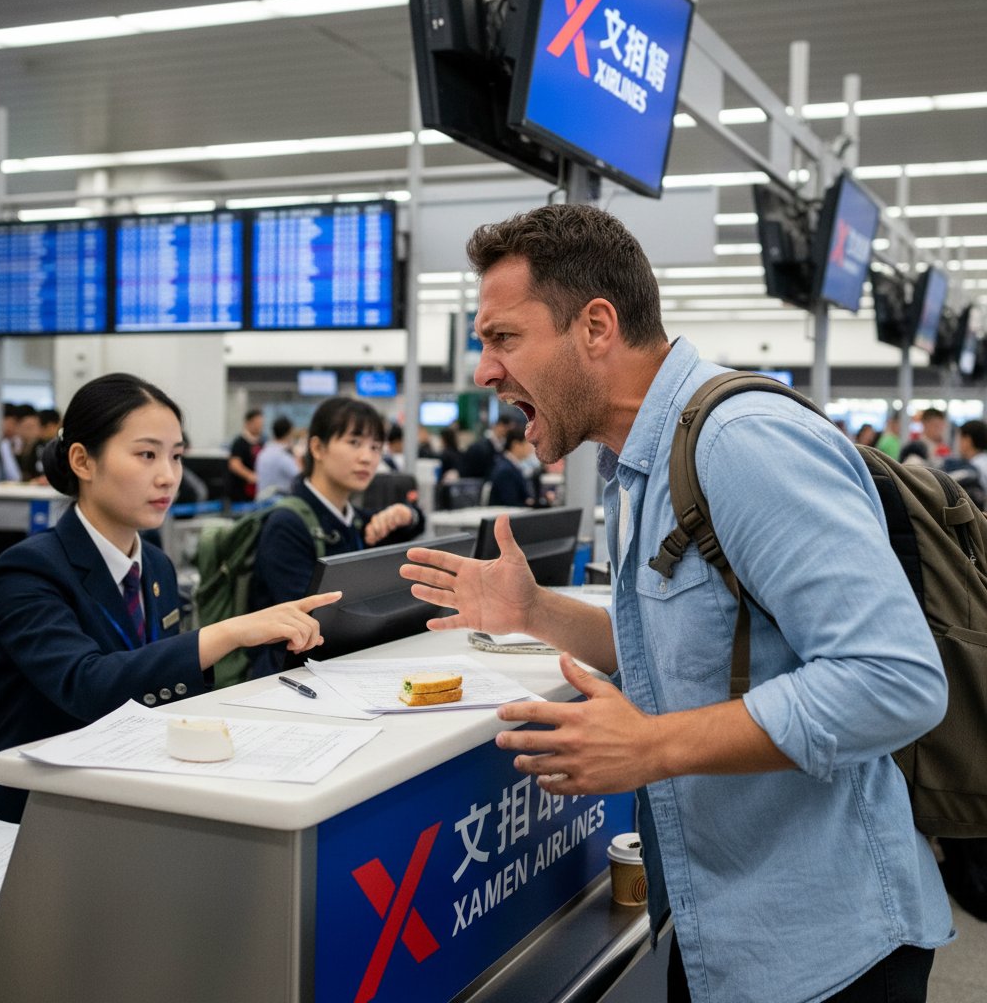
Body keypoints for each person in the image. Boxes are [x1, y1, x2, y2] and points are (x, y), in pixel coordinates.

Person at [401, 204, 952, 1003]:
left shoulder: (740, 443)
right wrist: (536, 613)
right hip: (725, 931)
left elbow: (895, 681)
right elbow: (685, 652)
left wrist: (652, 747)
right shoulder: (644, 466)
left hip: (826, 951)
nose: (484, 371)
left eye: (503, 338)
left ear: (596, 325)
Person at [0, 374, 340, 824]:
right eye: (146, 455)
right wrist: (228, 632)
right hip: (35, 812)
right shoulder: (29, 568)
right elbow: (87, 685)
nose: (168, 476)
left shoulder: (156, 567)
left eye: (176, 456)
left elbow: (159, 692)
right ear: (83, 461)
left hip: (134, 792)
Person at [249, 396, 425, 677]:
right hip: (290, 678)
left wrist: (407, 513)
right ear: (317, 447)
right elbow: (308, 623)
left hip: (341, 668)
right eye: (354, 443)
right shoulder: (287, 524)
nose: (367, 457)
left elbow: (412, 525)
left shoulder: (354, 518)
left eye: (375, 447)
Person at [254, 414, 302, 498]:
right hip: (277, 501)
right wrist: (298, 456)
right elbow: (300, 477)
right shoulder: (282, 456)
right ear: (289, 433)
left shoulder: (264, 451)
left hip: (261, 500)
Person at [487, 428, 535, 506]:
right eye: (527, 443)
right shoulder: (505, 470)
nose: (530, 448)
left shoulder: (513, 466)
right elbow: (511, 503)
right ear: (516, 445)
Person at [226, 408, 265, 502]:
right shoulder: (239, 442)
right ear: (248, 423)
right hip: (241, 491)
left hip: (256, 490)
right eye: (257, 423)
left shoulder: (262, 442)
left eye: (261, 423)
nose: (260, 426)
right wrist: (250, 476)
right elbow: (234, 464)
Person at [458, 415, 512, 480]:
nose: (508, 432)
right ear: (499, 426)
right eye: (506, 429)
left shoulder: (503, 446)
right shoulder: (480, 447)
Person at [958, 419, 987, 493]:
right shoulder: (983, 461)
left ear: (968, 440)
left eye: (961, 438)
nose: (959, 443)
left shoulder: (975, 467)